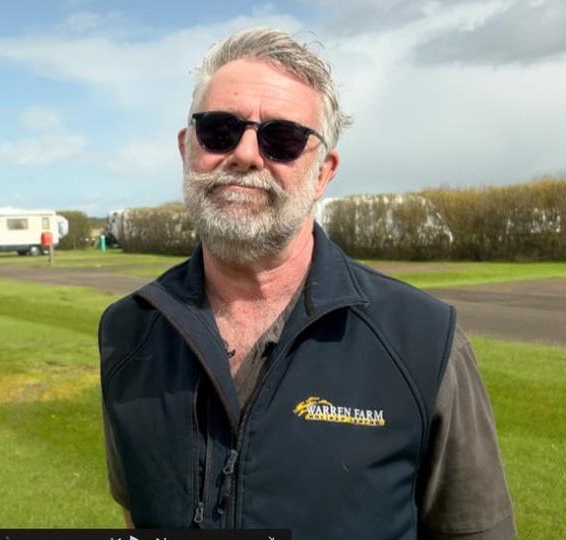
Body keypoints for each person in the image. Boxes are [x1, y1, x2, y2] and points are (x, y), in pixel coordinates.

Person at [98, 27, 515, 539]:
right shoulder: (127, 331)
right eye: (219, 130)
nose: (246, 154)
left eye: (283, 138)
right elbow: (138, 515)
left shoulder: (426, 341)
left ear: (323, 173)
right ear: (187, 147)